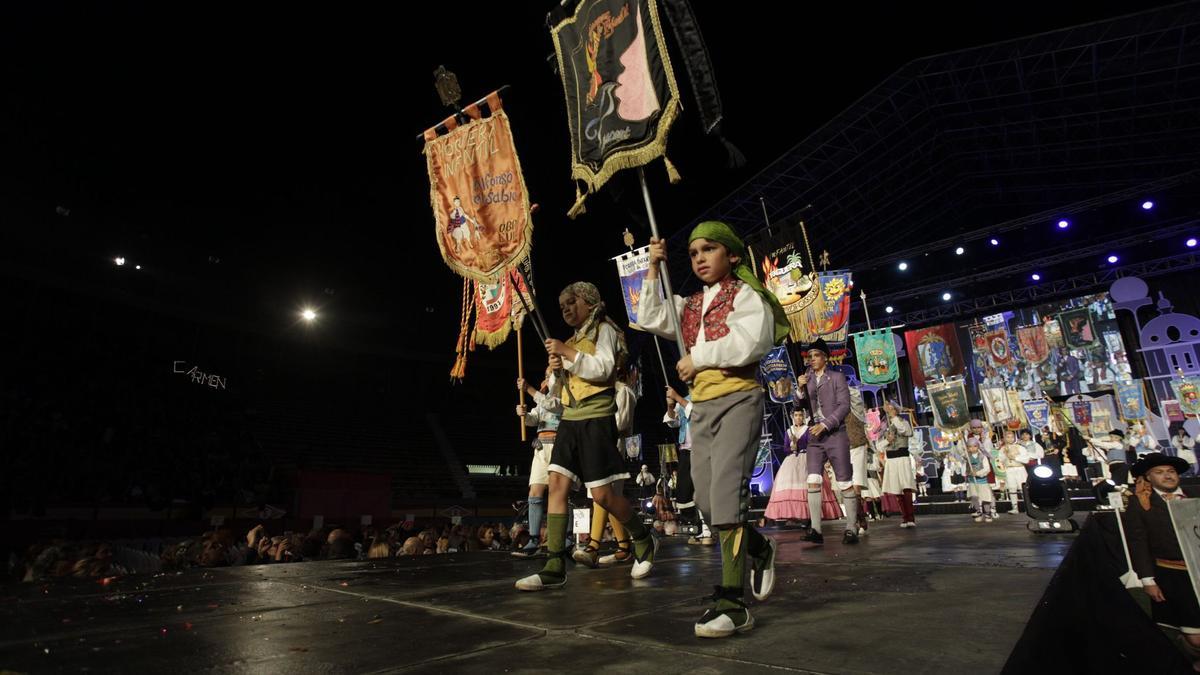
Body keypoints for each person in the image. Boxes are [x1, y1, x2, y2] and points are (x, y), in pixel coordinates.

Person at [641, 221, 790, 638]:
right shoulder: (689, 305)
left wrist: (700, 356)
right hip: (702, 407)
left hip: (739, 398)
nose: (700, 258)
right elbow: (649, 314)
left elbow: (753, 341)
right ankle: (759, 548)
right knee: (705, 502)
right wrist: (653, 268)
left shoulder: (747, 295)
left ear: (733, 256)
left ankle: (733, 602)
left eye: (709, 250)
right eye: (693, 253)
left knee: (726, 497)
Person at [514, 281, 656, 591]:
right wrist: (542, 387)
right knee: (556, 485)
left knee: (604, 496)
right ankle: (554, 564)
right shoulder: (567, 343)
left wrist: (567, 353)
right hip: (569, 421)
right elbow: (555, 400)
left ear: (590, 303)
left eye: (571, 302)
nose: (564, 307)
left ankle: (643, 537)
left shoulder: (602, 330)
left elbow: (604, 369)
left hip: (595, 419)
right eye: (562, 303)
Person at [1122, 452, 1200, 668]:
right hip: (1174, 574)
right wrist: (1148, 580)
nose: (1167, 476)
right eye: (1159, 472)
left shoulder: (1195, 495)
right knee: (1195, 637)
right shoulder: (1141, 504)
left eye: (1171, 471)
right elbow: (1138, 543)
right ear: (1148, 478)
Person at [797, 338, 861, 545]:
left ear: (825, 357)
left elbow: (844, 406)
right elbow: (799, 404)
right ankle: (815, 529)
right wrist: (799, 390)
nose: (812, 360)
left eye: (816, 356)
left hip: (835, 434)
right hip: (814, 439)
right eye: (810, 356)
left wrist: (825, 424)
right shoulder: (807, 379)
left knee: (844, 481)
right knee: (813, 480)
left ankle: (851, 527)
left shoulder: (836, 377)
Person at [513, 369, 562, 558]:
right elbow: (535, 419)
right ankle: (533, 539)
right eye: (547, 372)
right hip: (541, 447)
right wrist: (524, 415)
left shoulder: (565, 391)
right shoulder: (542, 395)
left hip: (559, 446)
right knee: (535, 491)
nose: (548, 375)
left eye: (552, 373)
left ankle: (562, 538)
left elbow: (553, 406)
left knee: (559, 493)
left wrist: (530, 389)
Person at [666, 386, 714, 545]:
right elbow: (674, 422)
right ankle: (701, 528)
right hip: (686, 451)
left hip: (703, 449)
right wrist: (670, 405)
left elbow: (696, 413)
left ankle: (708, 531)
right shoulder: (684, 397)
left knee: (703, 490)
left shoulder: (706, 395)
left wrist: (677, 397)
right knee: (685, 491)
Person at [879, 401, 918, 528]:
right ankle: (904, 518)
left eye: (891, 408)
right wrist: (886, 441)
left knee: (905, 486)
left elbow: (905, 431)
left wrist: (894, 417)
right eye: (888, 408)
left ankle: (911, 517)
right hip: (891, 459)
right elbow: (878, 446)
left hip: (902, 457)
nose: (889, 410)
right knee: (897, 489)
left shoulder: (903, 421)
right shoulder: (884, 425)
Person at [964, 438, 996, 522]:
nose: (972, 448)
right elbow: (965, 468)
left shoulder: (983, 457)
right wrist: (968, 473)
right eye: (970, 447)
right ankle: (978, 512)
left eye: (974, 446)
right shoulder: (967, 457)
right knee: (974, 497)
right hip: (972, 481)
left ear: (978, 446)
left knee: (985, 498)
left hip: (982, 481)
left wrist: (977, 473)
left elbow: (987, 469)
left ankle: (987, 513)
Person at [998, 430, 1029, 511]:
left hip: (1020, 469)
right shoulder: (1002, 449)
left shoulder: (1020, 447)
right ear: (1004, 438)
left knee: (1023, 488)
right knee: (1012, 488)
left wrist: (1015, 457)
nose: (1010, 439)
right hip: (1009, 469)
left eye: (1012, 437)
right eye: (1008, 437)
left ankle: (1028, 506)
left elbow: (1026, 460)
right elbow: (1000, 459)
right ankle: (1014, 507)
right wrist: (1006, 455)